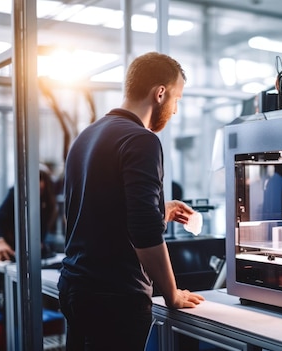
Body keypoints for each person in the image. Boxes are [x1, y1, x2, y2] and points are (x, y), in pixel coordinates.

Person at [57, 52, 205, 351]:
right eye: (177, 99)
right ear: (160, 93)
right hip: (115, 299)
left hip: (77, 288)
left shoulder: (87, 136)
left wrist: (159, 211)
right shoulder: (141, 140)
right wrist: (172, 294)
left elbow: (94, 214)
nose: (175, 110)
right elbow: (145, 233)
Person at [0, 165, 59, 262]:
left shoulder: (47, 205)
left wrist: (38, 245)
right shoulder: (15, 193)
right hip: (8, 248)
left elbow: (40, 237)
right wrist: (0, 242)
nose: (37, 184)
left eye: (40, 179)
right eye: (34, 179)